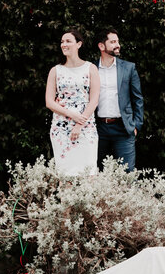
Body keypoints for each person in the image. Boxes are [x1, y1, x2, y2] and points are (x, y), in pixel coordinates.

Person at [45, 29, 100, 176]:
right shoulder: (55, 70)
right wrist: (71, 115)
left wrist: (79, 123)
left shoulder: (91, 68)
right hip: (61, 129)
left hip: (86, 127)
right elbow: (49, 102)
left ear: (79, 44)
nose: (64, 44)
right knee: (65, 175)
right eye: (62, 42)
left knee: (89, 175)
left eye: (68, 41)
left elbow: (94, 100)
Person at [94, 29, 144, 171]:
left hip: (123, 128)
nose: (118, 45)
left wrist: (136, 125)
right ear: (101, 46)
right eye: (113, 42)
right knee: (97, 172)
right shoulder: (92, 68)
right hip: (99, 128)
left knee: (127, 173)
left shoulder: (129, 68)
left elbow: (138, 98)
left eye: (118, 41)